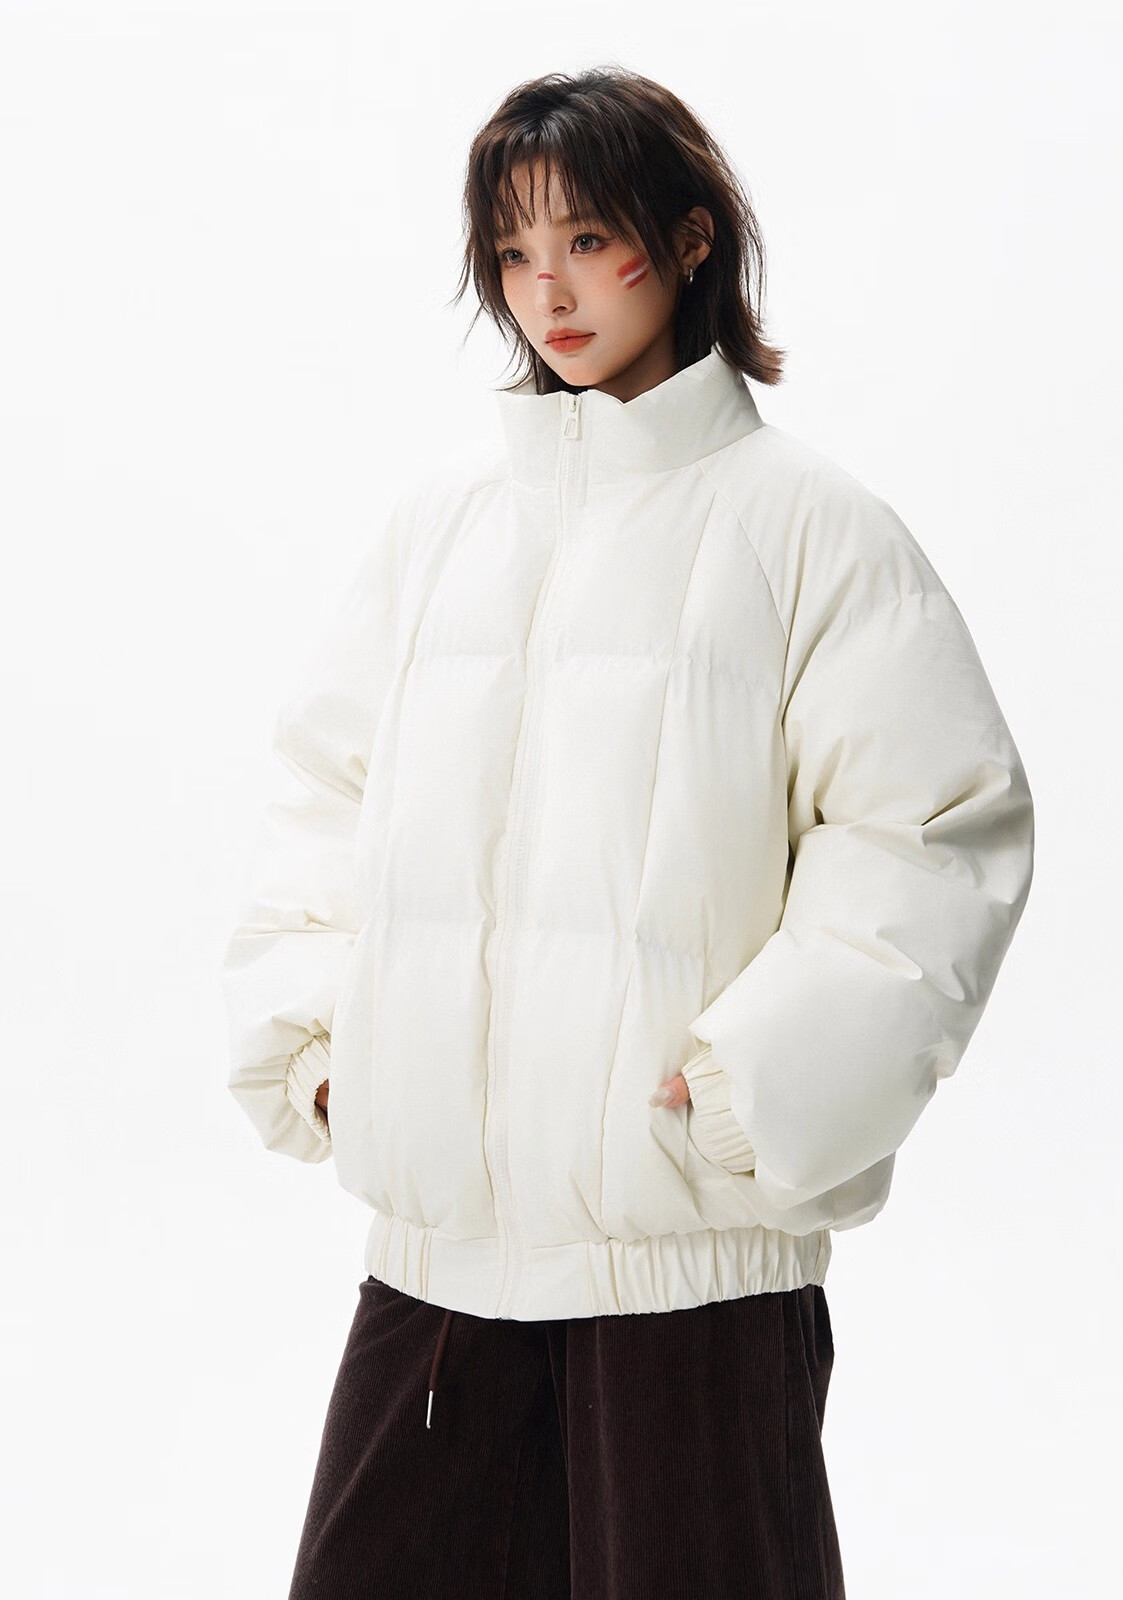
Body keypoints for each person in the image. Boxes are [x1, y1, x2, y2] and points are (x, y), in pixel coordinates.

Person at [219, 65, 1035, 1600]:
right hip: (442, 1268)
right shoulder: (444, 527)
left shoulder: (809, 528)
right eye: (514, 253)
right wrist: (322, 1044)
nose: (549, 292)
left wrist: (753, 1086)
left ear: (690, 238)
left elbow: (932, 829)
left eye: (588, 242)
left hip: (688, 1273)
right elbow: (325, 791)